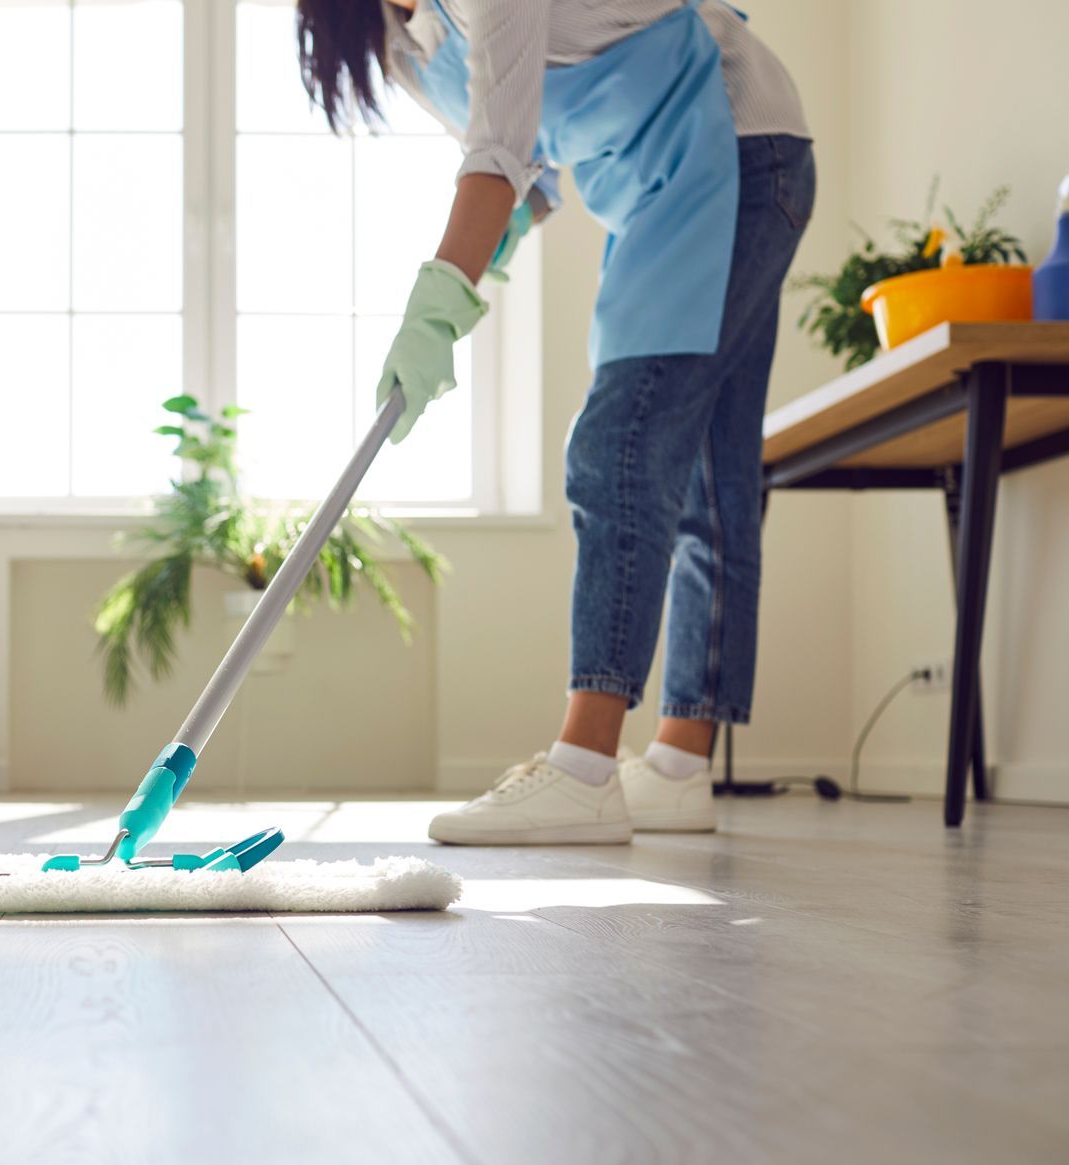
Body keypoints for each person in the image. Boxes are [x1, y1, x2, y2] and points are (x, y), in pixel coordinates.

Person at [295, 0, 814, 844]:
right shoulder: (400, 45)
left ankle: (583, 769)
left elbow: (497, 156)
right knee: (707, 478)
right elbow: (527, 169)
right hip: (659, 181)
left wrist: (438, 300)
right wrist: (481, 262)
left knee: (620, 449)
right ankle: (680, 768)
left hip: (740, 153)